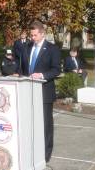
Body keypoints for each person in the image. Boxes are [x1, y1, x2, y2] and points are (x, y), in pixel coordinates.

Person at [17, 21, 61, 164]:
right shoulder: (27, 47)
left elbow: (56, 70)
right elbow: (23, 67)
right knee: (29, 124)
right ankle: (31, 151)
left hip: (44, 92)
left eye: (35, 35)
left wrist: (41, 75)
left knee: (45, 125)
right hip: (27, 92)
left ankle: (45, 155)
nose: (32, 38)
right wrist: (18, 76)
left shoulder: (52, 49)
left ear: (42, 34)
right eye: (31, 35)